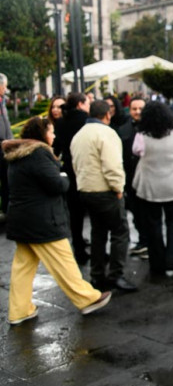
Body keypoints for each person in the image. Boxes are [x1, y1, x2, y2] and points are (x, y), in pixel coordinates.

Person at [4, 117, 112, 325]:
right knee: (63, 260)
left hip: (22, 219)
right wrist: (63, 175)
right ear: (42, 134)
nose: (53, 135)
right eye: (51, 132)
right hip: (42, 220)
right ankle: (87, 298)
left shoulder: (18, 155)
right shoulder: (38, 154)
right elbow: (57, 185)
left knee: (23, 268)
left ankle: (19, 311)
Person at [70, 100, 137, 292]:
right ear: (107, 115)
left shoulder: (80, 135)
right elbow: (113, 165)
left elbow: (76, 164)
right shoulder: (106, 133)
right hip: (105, 191)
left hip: (86, 190)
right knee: (120, 231)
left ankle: (97, 275)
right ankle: (116, 275)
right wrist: (118, 188)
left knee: (98, 233)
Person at [133, 101, 173, 277]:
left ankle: (157, 264)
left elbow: (135, 151)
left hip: (150, 187)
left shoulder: (141, 136)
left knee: (153, 226)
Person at [52, 93, 91, 265]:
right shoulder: (86, 121)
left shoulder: (60, 123)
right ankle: (97, 249)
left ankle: (79, 246)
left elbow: (56, 149)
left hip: (69, 170)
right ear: (81, 104)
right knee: (94, 211)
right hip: (87, 169)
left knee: (74, 213)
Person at [118, 97, 147, 256]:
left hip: (147, 178)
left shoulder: (152, 128)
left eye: (140, 108)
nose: (137, 112)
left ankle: (147, 241)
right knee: (135, 212)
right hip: (130, 178)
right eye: (134, 109)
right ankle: (143, 240)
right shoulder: (123, 130)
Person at [0, 73, 13, 218]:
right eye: (4, 86)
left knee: (6, 179)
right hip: (2, 144)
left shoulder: (2, 101)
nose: (5, 88)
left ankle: (6, 208)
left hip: (5, 146)